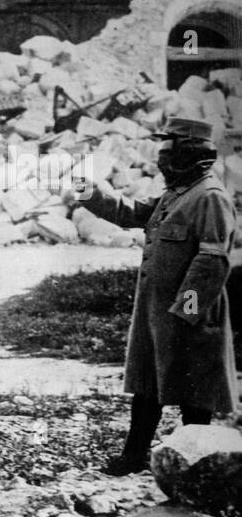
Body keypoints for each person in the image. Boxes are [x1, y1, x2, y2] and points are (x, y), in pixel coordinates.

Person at [71, 116, 236, 475]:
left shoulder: (209, 197)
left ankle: (198, 466)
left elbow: (213, 258)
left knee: (195, 396)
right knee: (147, 387)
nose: (161, 161)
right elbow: (128, 212)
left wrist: (186, 310)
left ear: (189, 155)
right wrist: (85, 188)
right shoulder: (176, 193)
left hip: (190, 314)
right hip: (157, 313)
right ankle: (133, 457)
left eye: (168, 153)